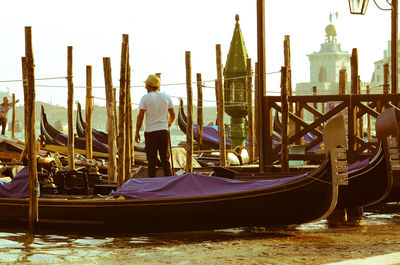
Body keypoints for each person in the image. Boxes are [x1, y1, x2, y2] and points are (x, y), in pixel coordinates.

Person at [135, 74, 175, 178]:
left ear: (150, 86)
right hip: (163, 132)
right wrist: (168, 124)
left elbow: (140, 117)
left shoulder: (145, 98)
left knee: (151, 160)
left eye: (146, 85)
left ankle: (152, 182)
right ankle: (168, 181)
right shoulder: (167, 97)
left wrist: (136, 132)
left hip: (151, 133)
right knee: (165, 159)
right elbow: (172, 115)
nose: (145, 87)